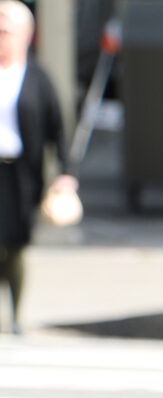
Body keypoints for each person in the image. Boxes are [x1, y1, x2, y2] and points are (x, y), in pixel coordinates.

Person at [0, 0, 75, 333]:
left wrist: (65, 173)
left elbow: (57, 129)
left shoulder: (36, 78)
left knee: (15, 241)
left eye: (5, 31)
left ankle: (15, 313)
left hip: (20, 172)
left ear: (25, 36)